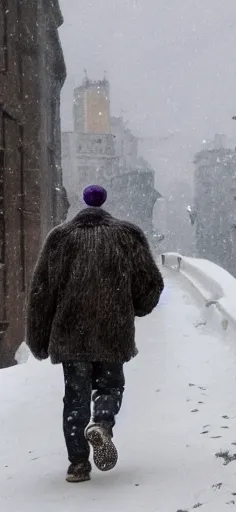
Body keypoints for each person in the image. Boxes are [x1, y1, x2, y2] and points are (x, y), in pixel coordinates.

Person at [26, 184, 164, 483]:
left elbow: (41, 291)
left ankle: (77, 464)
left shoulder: (60, 237)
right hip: (113, 330)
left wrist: (38, 338)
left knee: (74, 397)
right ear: (104, 204)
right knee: (110, 386)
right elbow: (150, 281)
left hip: (69, 332)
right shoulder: (127, 235)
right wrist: (137, 306)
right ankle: (101, 422)